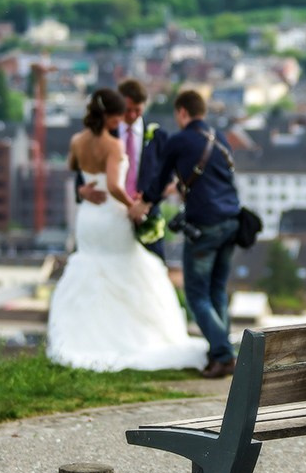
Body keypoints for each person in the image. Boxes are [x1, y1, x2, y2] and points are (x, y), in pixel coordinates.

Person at [47, 87, 207, 372]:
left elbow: (73, 167)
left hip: (89, 219)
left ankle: (87, 338)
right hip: (113, 214)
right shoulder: (112, 145)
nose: (128, 117)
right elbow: (112, 185)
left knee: (92, 269)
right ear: (111, 114)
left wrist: (86, 186)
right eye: (122, 112)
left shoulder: (77, 140)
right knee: (129, 270)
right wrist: (132, 204)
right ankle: (129, 336)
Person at [137, 89, 243, 380]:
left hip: (204, 225)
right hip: (231, 221)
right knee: (217, 291)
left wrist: (144, 202)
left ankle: (223, 354)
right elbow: (214, 179)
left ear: (182, 112)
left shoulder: (179, 140)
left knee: (197, 295)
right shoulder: (219, 138)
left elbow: (158, 181)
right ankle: (219, 355)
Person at [76, 78, 169, 260]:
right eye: (128, 110)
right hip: (109, 217)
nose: (133, 115)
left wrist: (147, 202)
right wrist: (81, 191)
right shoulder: (102, 135)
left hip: (146, 218)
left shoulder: (159, 137)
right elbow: (82, 174)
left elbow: (168, 177)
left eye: (138, 110)